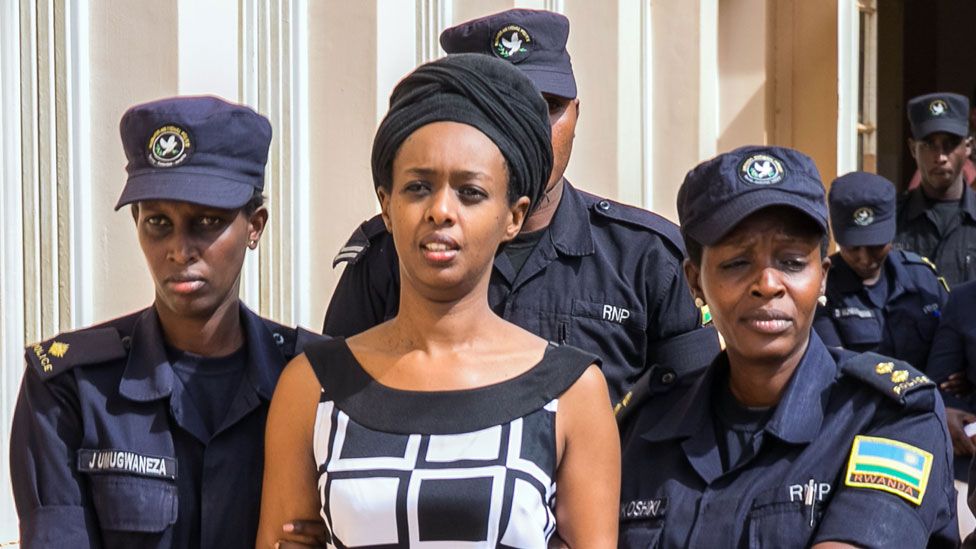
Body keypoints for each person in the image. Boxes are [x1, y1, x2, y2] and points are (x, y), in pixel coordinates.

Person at [256, 54, 619, 548]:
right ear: (386, 205)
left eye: (470, 192)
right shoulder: (313, 386)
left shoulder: (572, 391)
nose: (441, 211)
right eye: (418, 187)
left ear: (513, 216)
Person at [322, 8, 719, 410]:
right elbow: (334, 411)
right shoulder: (394, 253)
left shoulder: (647, 259)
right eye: (506, 107)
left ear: (577, 113)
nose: (532, 127)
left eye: (550, 106)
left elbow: (694, 424)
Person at [10, 96, 320, 548]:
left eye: (207, 221)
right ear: (136, 221)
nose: (179, 249)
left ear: (255, 226)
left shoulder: (312, 379)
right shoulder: (70, 388)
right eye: (157, 221)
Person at [619, 145, 957, 547]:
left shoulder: (890, 416)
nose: (768, 284)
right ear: (695, 282)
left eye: (793, 262)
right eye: (737, 263)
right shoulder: (646, 425)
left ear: (824, 277)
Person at [814, 171, 948, 373]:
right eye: (852, 248)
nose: (865, 258)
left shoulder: (923, 278)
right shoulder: (822, 287)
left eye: (876, 246)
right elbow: (836, 368)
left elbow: (952, 342)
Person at [895, 92, 976, 286]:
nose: (940, 157)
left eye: (950, 144)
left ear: (968, 147)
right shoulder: (891, 218)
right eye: (929, 144)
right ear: (913, 148)